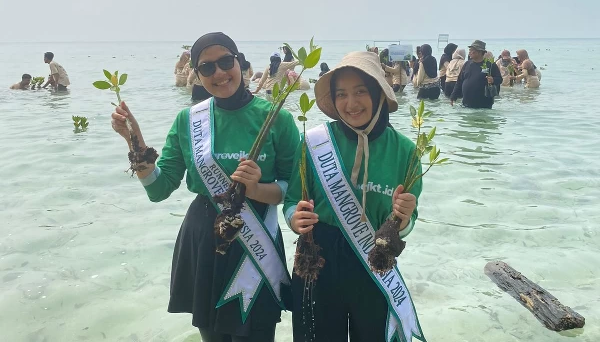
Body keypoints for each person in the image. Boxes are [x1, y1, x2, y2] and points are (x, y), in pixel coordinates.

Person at [110, 33, 298, 342]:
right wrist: (135, 142)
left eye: (226, 62)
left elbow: (294, 190)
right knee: (212, 336)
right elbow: (159, 189)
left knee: (258, 334)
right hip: (204, 239)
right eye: (207, 68)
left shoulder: (277, 119)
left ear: (242, 64)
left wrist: (256, 190)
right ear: (197, 75)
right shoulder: (188, 120)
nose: (219, 73)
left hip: (257, 237)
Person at [284, 51, 425, 342]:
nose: (351, 103)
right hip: (317, 260)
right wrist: (294, 218)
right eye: (341, 94)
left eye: (361, 91)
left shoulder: (406, 152)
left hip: (374, 260)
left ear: (378, 94)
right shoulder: (312, 143)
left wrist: (405, 217)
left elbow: (410, 222)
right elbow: (290, 202)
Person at [450, 40, 502, 109]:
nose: (469, 52)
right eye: (469, 50)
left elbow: (500, 79)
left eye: (472, 50)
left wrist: (493, 80)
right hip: (466, 103)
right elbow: (459, 81)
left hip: (484, 105)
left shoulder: (490, 65)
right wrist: (453, 96)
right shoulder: (467, 64)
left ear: (479, 52)